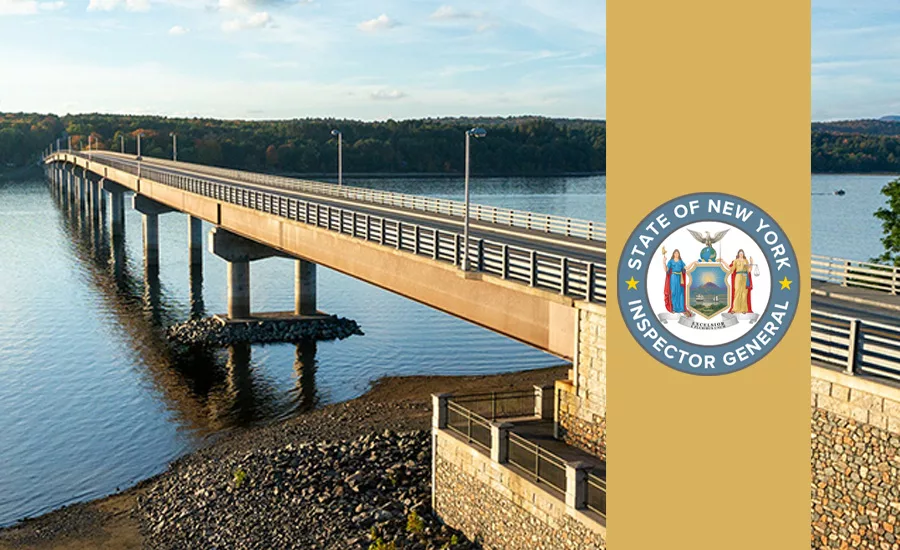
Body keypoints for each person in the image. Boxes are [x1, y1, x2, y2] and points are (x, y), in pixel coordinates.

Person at [663, 249, 689, 315]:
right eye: (675, 253)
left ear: (679, 254)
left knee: (681, 293)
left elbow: (687, 268)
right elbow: (666, 269)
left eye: (677, 253)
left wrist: (694, 262)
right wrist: (664, 262)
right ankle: (674, 308)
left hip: (680, 278)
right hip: (673, 277)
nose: (676, 254)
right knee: (674, 292)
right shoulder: (671, 261)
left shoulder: (681, 261)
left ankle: (681, 309)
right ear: (673, 254)